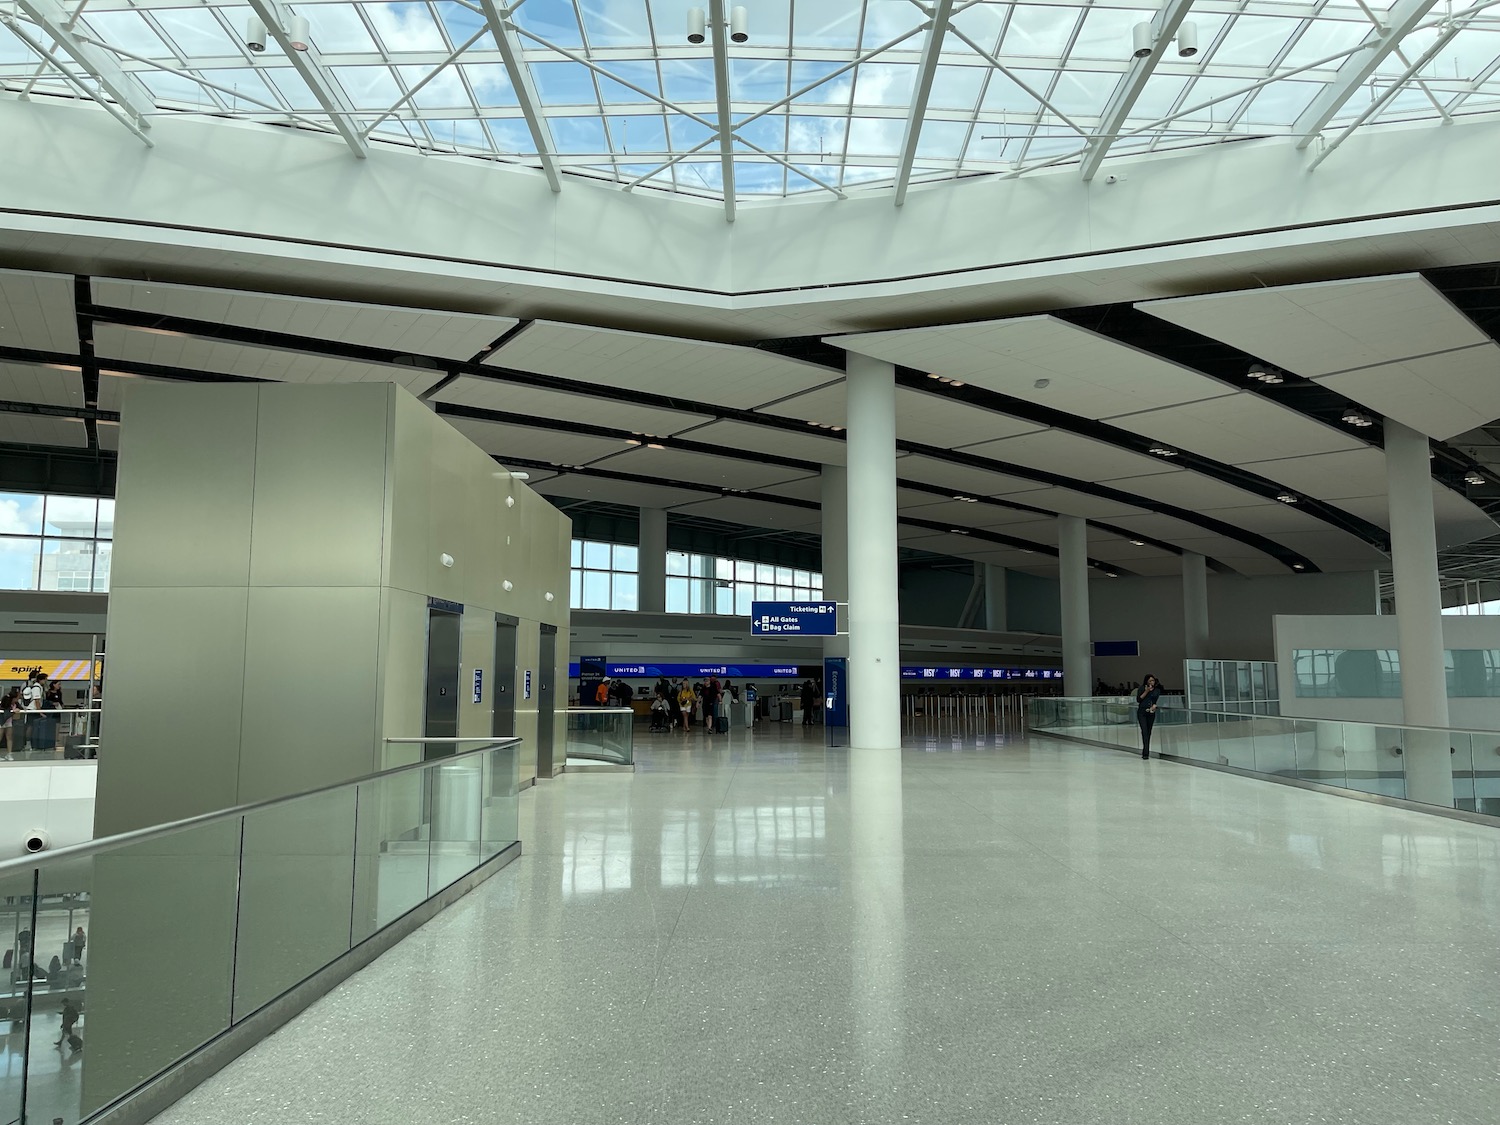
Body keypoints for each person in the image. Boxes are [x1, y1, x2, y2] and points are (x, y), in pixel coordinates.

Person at [1135, 674, 1162, 759]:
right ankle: (1145, 752)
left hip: (1151, 712)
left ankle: (1146, 750)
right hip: (1142, 712)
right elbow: (1139, 699)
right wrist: (1146, 691)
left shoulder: (1157, 690)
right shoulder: (1142, 688)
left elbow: (1155, 700)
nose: (1151, 682)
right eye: (1150, 681)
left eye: (1153, 681)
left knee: (1149, 731)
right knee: (1144, 730)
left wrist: (1154, 705)